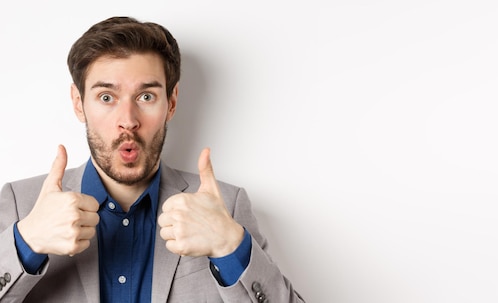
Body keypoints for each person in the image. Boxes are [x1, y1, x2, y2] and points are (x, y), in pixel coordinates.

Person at [0, 16, 305, 303]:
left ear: (171, 103)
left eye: (146, 97)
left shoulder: (226, 205)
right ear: (79, 104)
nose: (128, 120)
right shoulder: (21, 204)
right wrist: (25, 243)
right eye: (106, 97)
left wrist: (230, 248)